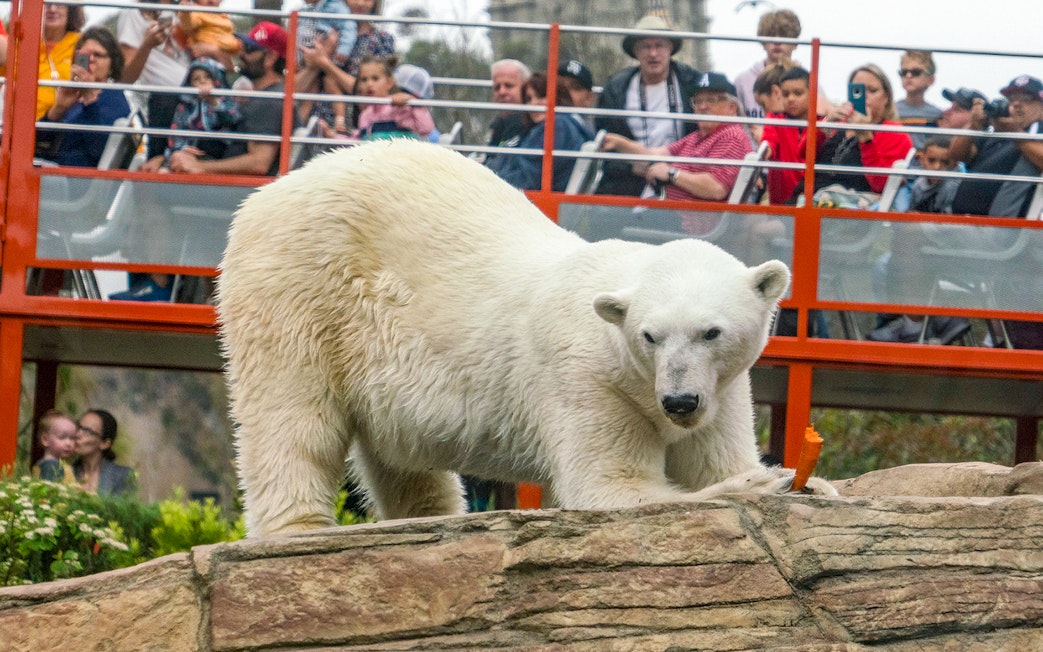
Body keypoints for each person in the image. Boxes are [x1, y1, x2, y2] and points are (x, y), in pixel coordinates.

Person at [868, 135, 971, 344]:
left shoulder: (954, 186)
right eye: (932, 161)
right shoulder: (919, 186)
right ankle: (900, 319)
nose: (938, 168)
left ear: (956, 163)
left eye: (946, 163)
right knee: (881, 264)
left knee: (893, 264)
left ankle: (916, 324)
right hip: (921, 247)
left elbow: (950, 227)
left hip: (942, 249)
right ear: (922, 159)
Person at [601, 72, 752, 203]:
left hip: (694, 225)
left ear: (732, 108)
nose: (702, 106)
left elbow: (716, 188)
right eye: (698, 101)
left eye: (711, 100)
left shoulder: (731, 135)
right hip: (673, 213)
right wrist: (619, 143)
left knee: (615, 223)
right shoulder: (698, 137)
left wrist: (671, 173)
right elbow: (654, 154)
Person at [594, 14, 701, 197]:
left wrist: (673, 170)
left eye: (659, 45)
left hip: (681, 182)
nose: (653, 54)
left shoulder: (692, 83)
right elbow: (603, 144)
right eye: (645, 46)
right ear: (635, 51)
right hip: (628, 185)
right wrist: (632, 167)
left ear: (670, 49)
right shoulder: (615, 89)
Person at [167, 22, 292, 177]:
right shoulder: (264, 97)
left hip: (234, 193)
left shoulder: (269, 101)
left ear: (271, 58)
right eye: (242, 47)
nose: (241, 54)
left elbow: (259, 163)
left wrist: (200, 166)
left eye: (249, 49)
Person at [810, 63, 913, 197]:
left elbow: (882, 185)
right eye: (858, 90)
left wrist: (865, 137)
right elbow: (801, 156)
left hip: (853, 207)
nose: (865, 96)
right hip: (811, 198)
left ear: (886, 97)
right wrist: (824, 125)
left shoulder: (895, 133)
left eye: (872, 90)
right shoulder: (837, 123)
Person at [36, 26, 132, 168]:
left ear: (112, 64)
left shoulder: (115, 98)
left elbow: (101, 152)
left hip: (80, 180)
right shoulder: (74, 95)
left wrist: (90, 100)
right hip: (54, 171)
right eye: (85, 55)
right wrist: (58, 109)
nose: (91, 60)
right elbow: (36, 141)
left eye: (98, 55)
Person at [950, 75, 1043, 218]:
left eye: (1026, 99)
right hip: (965, 222)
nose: (1016, 104)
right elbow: (958, 155)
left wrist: (1015, 133)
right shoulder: (1000, 129)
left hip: (1003, 229)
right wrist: (973, 126)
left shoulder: (1037, 131)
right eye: (1011, 99)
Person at [297, 0, 395, 126]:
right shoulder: (323, 34)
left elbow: (374, 92)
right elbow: (294, 89)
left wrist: (325, 64)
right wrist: (316, 63)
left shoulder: (381, 40)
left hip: (358, 131)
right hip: (317, 129)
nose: (360, 3)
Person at [495, 71, 594, 192]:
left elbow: (527, 179)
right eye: (528, 99)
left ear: (559, 97)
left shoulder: (555, 127)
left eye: (541, 96)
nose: (534, 104)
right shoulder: (571, 125)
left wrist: (486, 179)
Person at [140, 57, 239, 171]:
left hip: (217, 151)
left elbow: (232, 119)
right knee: (165, 170)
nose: (202, 81)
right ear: (190, 84)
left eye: (208, 77)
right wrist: (183, 148)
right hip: (189, 150)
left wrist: (213, 102)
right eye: (197, 79)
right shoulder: (185, 105)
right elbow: (177, 130)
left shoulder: (226, 100)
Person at [733, 9, 829, 123]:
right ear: (762, 41)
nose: (777, 42)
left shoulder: (809, 80)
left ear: (796, 43)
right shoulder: (743, 81)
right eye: (770, 35)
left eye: (784, 36)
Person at [0, 1, 85, 120]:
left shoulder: (82, 44)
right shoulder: (18, 43)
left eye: (59, 4)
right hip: (17, 128)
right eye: (46, 4)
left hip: (60, 128)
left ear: (71, 9)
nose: (53, 9)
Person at [297, 0, 357, 134]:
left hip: (334, 51)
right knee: (311, 88)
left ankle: (339, 120)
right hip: (314, 51)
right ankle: (301, 127)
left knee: (330, 82)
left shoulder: (334, 6)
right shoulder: (307, 11)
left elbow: (348, 26)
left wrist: (342, 49)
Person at [760, 66, 814, 205]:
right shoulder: (774, 119)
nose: (791, 99)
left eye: (798, 93)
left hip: (810, 203)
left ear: (812, 93)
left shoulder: (822, 123)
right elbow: (768, 142)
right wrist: (761, 155)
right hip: (780, 206)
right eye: (785, 94)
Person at [352, 56, 434, 140]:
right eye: (364, 80)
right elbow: (362, 141)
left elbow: (426, 129)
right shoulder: (365, 115)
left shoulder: (401, 106)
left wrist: (413, 103)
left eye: (375, 79)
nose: (369, 84)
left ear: (389, 82)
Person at [480, 59, 533, 173]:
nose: (502, 92)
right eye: (497, 87)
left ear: (526, 89)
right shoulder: (498, 124)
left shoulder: (532, 124)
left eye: (509, 86)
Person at [73, 409, 136, 496]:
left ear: (105, 444)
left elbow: (123, 509)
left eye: (88, 432)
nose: (77, 434)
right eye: (78, 427)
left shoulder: (123, 475)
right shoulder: (65, 471)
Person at [895, 50, 943, 152]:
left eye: (915, 72)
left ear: (931, 80)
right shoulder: (891, 110)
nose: (908, 76)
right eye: (903, 72)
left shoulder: (937, 115)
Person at [175, 0, 240, 71]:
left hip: (222, 59)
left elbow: (231, 67)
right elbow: (188, 24)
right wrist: (185, 12)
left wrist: (217, 50)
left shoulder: (224, 17)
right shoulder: (197, 12)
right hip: (202, 61)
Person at [31, 410, 78, 484]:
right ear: (45, 440)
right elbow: (50, 491)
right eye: (62, 437)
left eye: (72, 438)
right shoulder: (52, 466)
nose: (69, 443)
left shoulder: (45, 463)